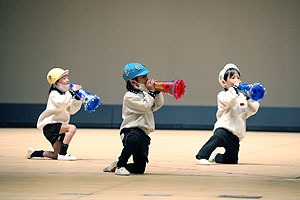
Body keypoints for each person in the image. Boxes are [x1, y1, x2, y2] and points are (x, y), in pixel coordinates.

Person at [103, 63, 164, 175]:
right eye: (143, 77)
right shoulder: (130, 96)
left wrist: (157, 92)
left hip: (144, 133)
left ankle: (117, 165)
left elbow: (157, 105)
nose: (147, 79)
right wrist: (151, 92)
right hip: (130, 130)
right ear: (133, 82)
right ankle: (120, 165)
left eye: (146, 76)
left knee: (139, 169)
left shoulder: (145, 93)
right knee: (133, 140)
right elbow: (145, 106)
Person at [195, 63, 260, 165]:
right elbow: (226, 102)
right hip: (224, 128)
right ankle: (201, 156)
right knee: (217, 139)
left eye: (238, 77)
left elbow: (252, 110)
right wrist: (233, 90)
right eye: (233, 77)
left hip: (236, 133)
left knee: (232, 160)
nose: (237, 80)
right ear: (224, 82)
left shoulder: (242, 97)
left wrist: (250, 98)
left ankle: (217, 157)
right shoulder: (223, 95)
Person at [27, 68, 82, 161]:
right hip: (50, 125)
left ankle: (33, 153)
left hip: (56, 127)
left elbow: (71, 110)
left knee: (55, 154)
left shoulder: (66, 95)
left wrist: (77, 99)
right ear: (56, 83)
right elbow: (62, 103)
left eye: (67, 78)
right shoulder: (54, 94)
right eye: (64, 78)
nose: (67, 80)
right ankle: (63, 154)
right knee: (72, 128)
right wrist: (72, 92)